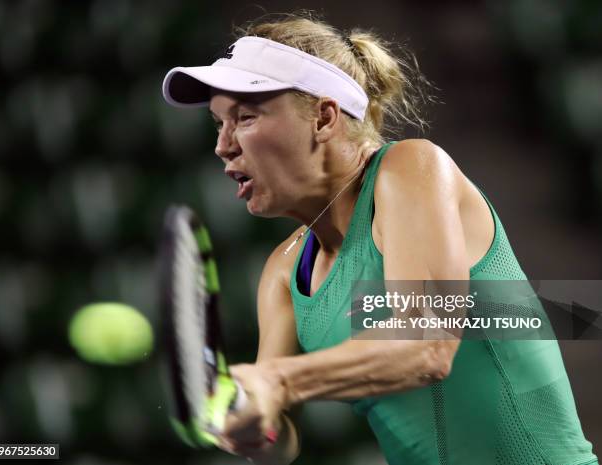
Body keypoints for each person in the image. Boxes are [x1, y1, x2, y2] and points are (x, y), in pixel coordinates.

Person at [162, 12, 598, 465]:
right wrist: (253, 429)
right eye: (219, 123)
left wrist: (277, 379)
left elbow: (429, 345)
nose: (223, 145)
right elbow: (280, 436)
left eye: (245, 117)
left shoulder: (411, 168)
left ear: (324, 118)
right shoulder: (283, 272)